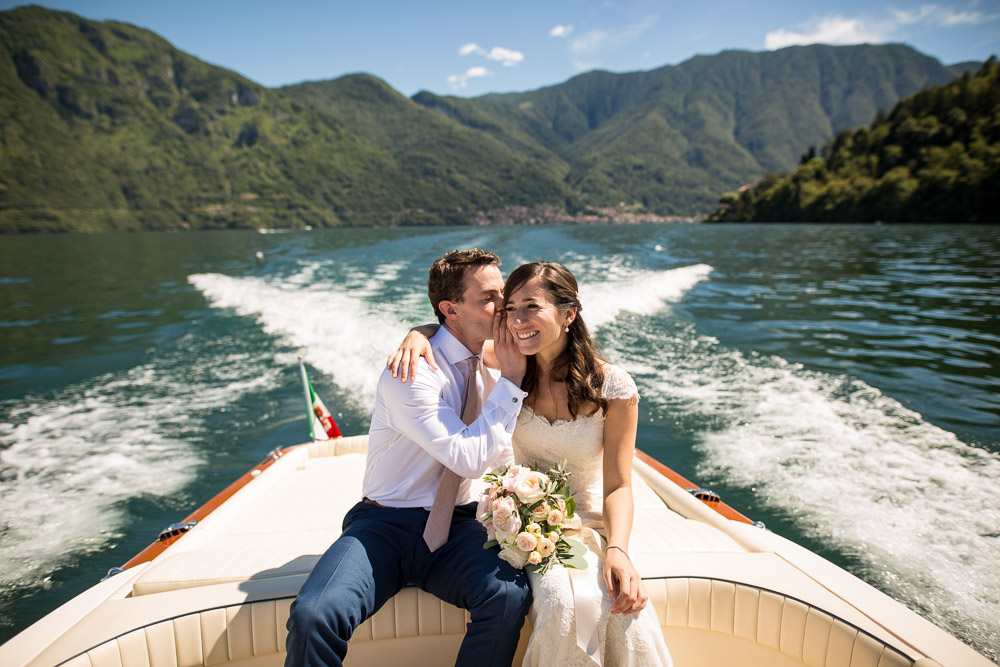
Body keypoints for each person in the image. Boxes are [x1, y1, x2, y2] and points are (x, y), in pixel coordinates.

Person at [389, 261, 672, 666]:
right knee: (561, 602)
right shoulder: (506, 360)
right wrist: (418, 333)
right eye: (510, 308)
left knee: (621, 605)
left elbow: (619, 485)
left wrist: (618, 549)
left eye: (531, 307)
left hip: (589, 519)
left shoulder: (613, 387)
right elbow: (457, 332)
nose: (518, 320)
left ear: (569, 313)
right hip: (520, 525)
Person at [285, 249, 533, 667]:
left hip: (458, 524)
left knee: (508, 595)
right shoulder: (411, 373)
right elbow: (468, 458)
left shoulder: (495, 354)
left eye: (504, 295)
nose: (504, 307)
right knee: (314, 615)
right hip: (385, 525)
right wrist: (509, 382)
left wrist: (423, 330)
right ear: (450, 309)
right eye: (489, 298)